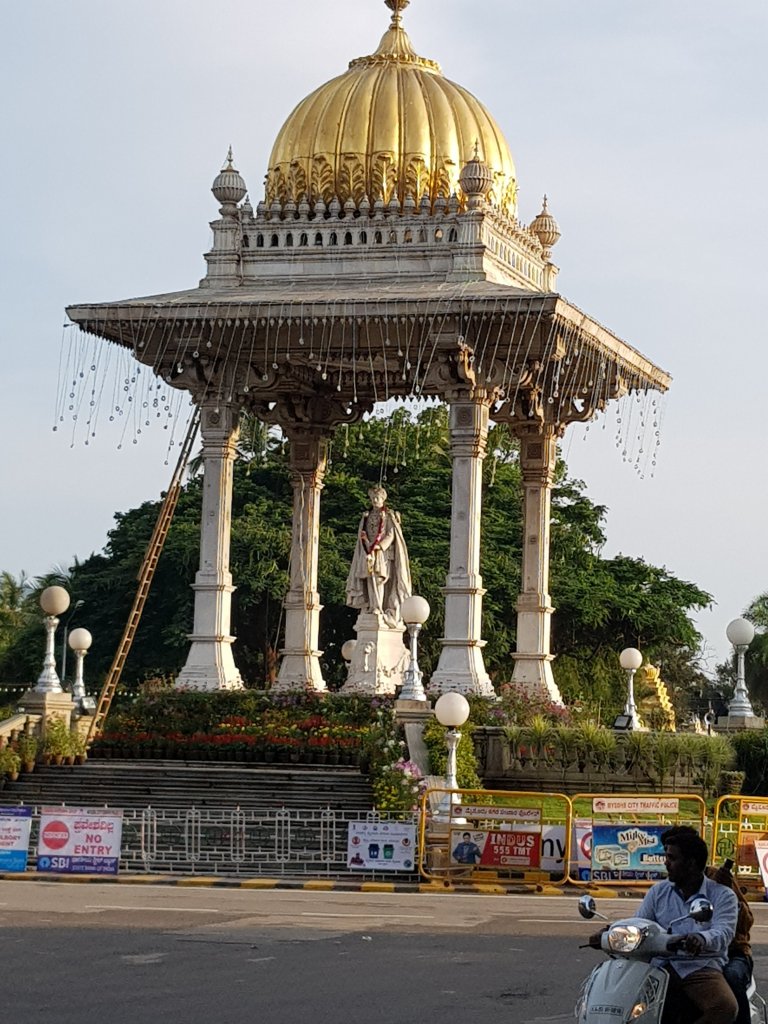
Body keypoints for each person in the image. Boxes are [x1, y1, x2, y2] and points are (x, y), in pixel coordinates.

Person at [589, 826, 738, 1024]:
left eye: (672, 858)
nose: (666, 863)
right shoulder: (658, 891)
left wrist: (701, 939)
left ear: (691, 863)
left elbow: (724, 932)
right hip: (659, 965)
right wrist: (609, 931)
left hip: (698, 966)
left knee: (725, 1007)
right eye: (666, 857)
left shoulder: (722, 895)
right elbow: (639, 923)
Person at [345, 485, 412, 625]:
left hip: (382, 553)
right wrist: (367, 544)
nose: (375, 500)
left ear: (383, 499)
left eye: (377, 498)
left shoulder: (388, 515)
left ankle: (378, 607)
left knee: (379, 579)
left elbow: (391, 534)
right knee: (369, 579)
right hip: (368, 551)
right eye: (372, 498)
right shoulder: (366, 516)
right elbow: (362, 533)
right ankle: (371, 606)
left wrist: (379, 546)